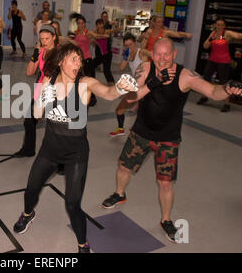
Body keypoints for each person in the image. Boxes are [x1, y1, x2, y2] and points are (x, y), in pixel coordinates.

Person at [100, 38, 242, 243]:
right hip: (141, 132)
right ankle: (119, 193)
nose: (161, 59)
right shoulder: (145, 68)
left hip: (168, 139)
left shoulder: (185, 75)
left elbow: (213, 92)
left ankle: (166, 220)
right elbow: (130, 98)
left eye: (166, 54)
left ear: (174, 55)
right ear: (152, 54)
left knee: (165, 183)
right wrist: (152, 84)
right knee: (124, 167)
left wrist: (228, 88)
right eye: (158, 54)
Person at [13, 43, 138, 253]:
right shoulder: (47, 81)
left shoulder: (85, 83)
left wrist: (119, 87)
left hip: (76, 154)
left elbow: (107, 93)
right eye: (73, 58)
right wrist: (42, 98)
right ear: (61, 61)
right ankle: (27, 214)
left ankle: (83, 244)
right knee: (31, 189)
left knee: (72, 204)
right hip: (49, 151)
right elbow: (35, 115)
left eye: (79, 59)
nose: (78, 63)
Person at [13, 24, 58, 158]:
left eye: (47, 38)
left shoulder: (59, 54)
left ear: (54, 38)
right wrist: (35, 55)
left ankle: (60, 160)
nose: (44, 42)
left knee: (56, 127)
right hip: (40, 89)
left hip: (54, 92)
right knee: (29, 121)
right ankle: (28, 149)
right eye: (42, 39)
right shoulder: (41, 51)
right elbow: (29, 72)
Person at [197, 17, 242, 112]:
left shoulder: (226, 33)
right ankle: (204, 97)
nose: (219, 27)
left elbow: (237, 36)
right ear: (215, 25)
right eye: (218, 24)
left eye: (221, 25)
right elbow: (205, 46)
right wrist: (211, 38)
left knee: (223, 82)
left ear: (224, 26)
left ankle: (226, 103)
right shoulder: (213, 33)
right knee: (206, 79)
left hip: (224, 61)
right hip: (212, 60)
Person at [109, 33, 151, 137]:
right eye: (126, 45)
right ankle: (120, 129)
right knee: (119, 110)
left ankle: (143, 132)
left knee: (144, 113)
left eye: (130, 44)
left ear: (135, 43)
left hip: (146, 87)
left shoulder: (141, 52)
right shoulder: (127, 53)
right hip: (135, 87)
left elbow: (154, 58)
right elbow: (121, 68)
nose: (129, 47)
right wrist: (126, 57)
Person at [92, 18, 115, 84]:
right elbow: (94, 44)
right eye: (98, 24)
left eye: (101, 24)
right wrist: (94, 41)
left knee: (106, 70)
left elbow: (113, 31)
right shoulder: (94, 32)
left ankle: (112, 84)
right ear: (96, 25)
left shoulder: (106, 31)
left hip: (107, 54)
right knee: (91, 66)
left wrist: (117, 26)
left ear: (103, 24)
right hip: (99, 54)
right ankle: (93, 81)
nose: (100, 26)